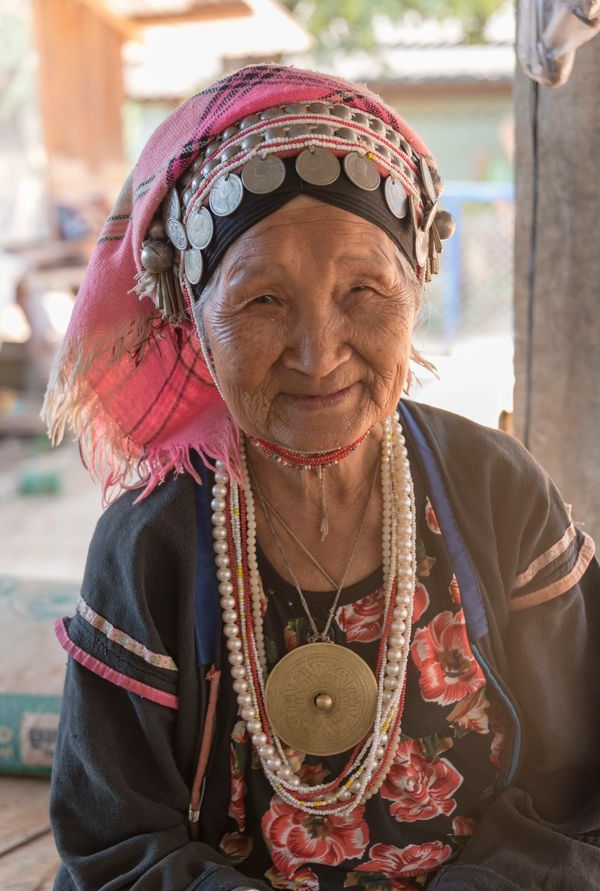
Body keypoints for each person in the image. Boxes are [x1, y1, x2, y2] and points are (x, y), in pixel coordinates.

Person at [45, 64, 600, 891]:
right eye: (262, 300)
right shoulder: (148, 543)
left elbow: (579, 799)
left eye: (363, 290)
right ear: (193, 320)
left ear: (414, 287)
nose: (320, 353)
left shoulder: (499, 492)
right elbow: (116, 846)